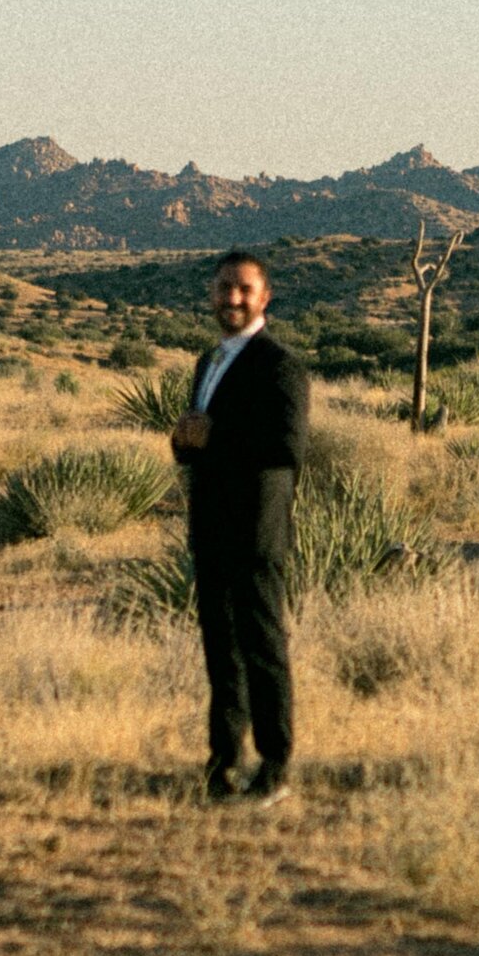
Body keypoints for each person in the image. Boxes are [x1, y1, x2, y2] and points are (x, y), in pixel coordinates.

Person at [171, 250, 309, 803]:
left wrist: (213, 437)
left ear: (264, 297)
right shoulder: (209, 362)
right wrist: (184, 441)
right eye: (224, 287)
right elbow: (197, 446)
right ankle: (224, 761)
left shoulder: (279, 364)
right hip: (211, 528)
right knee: (220, 649)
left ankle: (276, 764)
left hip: (256, 529)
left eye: (244, 289)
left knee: (262, 645)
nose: (232, 298)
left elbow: (286, 447)